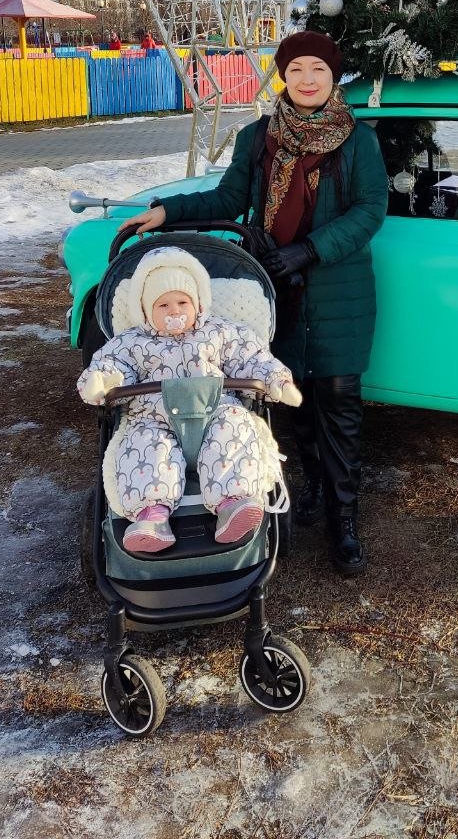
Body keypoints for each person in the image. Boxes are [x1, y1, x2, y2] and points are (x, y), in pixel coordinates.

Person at [119, 32, 388, 574]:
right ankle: (312, 487)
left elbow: (369, 209)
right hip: (274, 286)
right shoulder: (258, 137)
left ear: (332, 77)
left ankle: (344, 521)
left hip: (339, 289)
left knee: (339, 402)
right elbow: (227, 198)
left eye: (318, 69)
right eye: (297, 69)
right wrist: (166, 212)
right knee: (291, 398)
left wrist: (308, 249)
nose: (307, 79)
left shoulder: (359, 140)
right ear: (283, 76)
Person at [78, 246, 300, 555]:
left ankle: (232, 503)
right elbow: (113, 365)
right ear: (145, 310)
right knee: (144, 446)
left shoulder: (220, 332)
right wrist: (102, 380)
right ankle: (152, 516)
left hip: (215, 410)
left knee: (235, 428)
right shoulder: (133, 341)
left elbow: (249, 357)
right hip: (155, 417)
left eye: (183, 302)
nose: (174, 311)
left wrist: (276, 380)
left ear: (198, 303)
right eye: (163, 305)